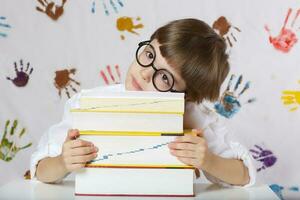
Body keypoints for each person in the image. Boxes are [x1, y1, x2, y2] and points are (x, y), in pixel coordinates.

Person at [31, 18, 256, 187]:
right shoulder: (88, 104)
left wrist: (209, 161)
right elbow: (40, 171)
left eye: (165, 77)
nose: (146, 74)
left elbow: (245, 175)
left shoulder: (197, 119)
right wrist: (62, 162)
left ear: (186, 96)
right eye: (149, 56)